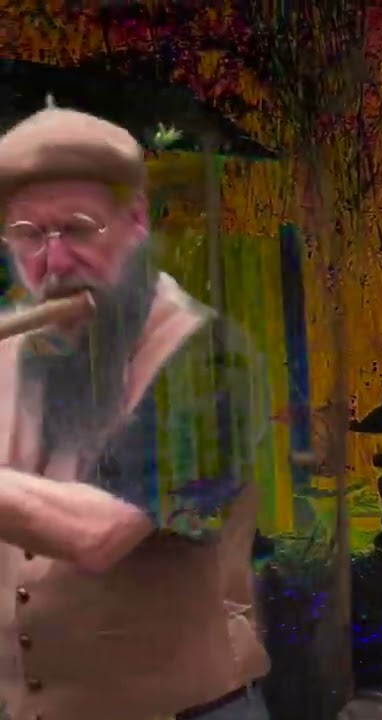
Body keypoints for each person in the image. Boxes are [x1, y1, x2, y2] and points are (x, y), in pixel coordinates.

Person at [0, 107, 271, 719]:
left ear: (136, 221)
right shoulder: (10, 355)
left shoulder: (209, 357)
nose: (55, 262)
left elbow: (100, 533)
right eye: (28, 235)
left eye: (78, 229)